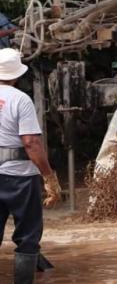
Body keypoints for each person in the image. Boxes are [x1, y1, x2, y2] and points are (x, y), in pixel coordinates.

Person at [0, 48, 61, 283]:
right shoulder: (20, 100)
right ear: (16, 74)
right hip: (20, 180)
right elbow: (31, 143)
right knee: (28, 237)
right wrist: (49, 177)